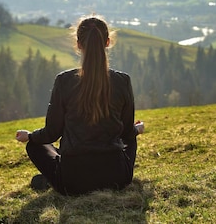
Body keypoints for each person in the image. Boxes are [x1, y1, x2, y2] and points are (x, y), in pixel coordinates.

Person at [15, 15, 144, 195]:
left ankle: (53, 177)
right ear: (107, 42)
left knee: (34, 145)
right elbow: (126, 132)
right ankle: (56, 175)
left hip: (73, 181)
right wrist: (138, 129)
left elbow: (51, 133)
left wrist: (30, 136)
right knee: (130, 138)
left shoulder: (64, 81)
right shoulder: (122, 81)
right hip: (117, 178)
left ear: (78, 44)